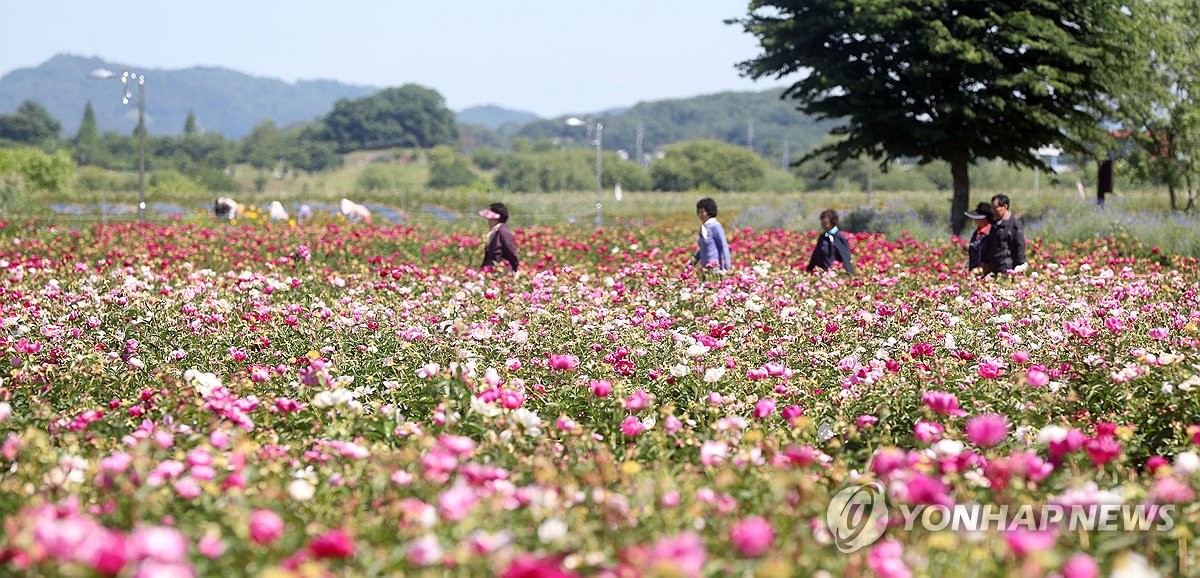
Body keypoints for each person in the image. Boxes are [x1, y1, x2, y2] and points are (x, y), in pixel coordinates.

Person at [806, 209, 855, 275]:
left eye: (825, 223)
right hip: (822, 274)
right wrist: (809, 271)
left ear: (832, 222)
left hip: (834, 274)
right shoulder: (823, 237)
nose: (823, 226)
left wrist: (850, 273)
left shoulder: (838, 237)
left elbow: (845, 256)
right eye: (822, 224)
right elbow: (815, 255)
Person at [986, 194, 1027, 274]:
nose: (993, 211)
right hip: (994, 268)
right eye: (992, 208)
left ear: (1005, 206)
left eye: (995, 208)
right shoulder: (995, 224)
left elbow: (1020, 245)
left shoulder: (1015, 224)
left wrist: (1020, 265)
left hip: (1008, 268)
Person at [693, 198, 732, 271]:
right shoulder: (704, 227)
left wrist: (728, 266)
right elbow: (703, 249)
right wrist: (692, 263)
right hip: (705, 267)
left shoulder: (715, 226)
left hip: (715, 267)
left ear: (709, 212)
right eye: (699, 212)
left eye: (702, 212)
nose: (700, 215)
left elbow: (724, 245)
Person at [480, 202, 519, 272]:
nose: (489, 220)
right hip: (491, 269)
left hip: (501, 269)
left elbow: (510, 251)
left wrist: (516, 267)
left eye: (491, 218)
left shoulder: (503, 231)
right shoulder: (494, 231)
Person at [963, 202, 994, 274]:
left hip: (987, 274)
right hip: (974, 271)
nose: (976, 220)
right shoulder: (977, 232)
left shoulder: (992, 233)